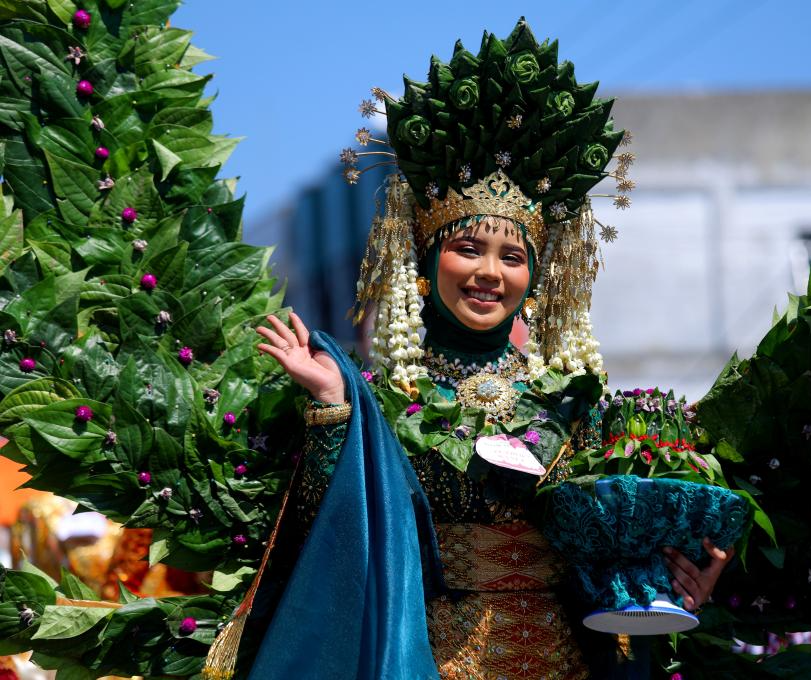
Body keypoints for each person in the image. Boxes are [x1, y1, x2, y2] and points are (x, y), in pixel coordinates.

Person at [241, 19, 736, 680]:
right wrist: (334, 408)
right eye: (467, 248)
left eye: (512, 257)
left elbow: (622, 543)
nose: (489, 273)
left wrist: (687, 572)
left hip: (570, 662)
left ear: (535, 279)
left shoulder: (573, 398)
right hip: (432, 659)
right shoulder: (386, 396)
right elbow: (338, 535)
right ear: (426, 259)